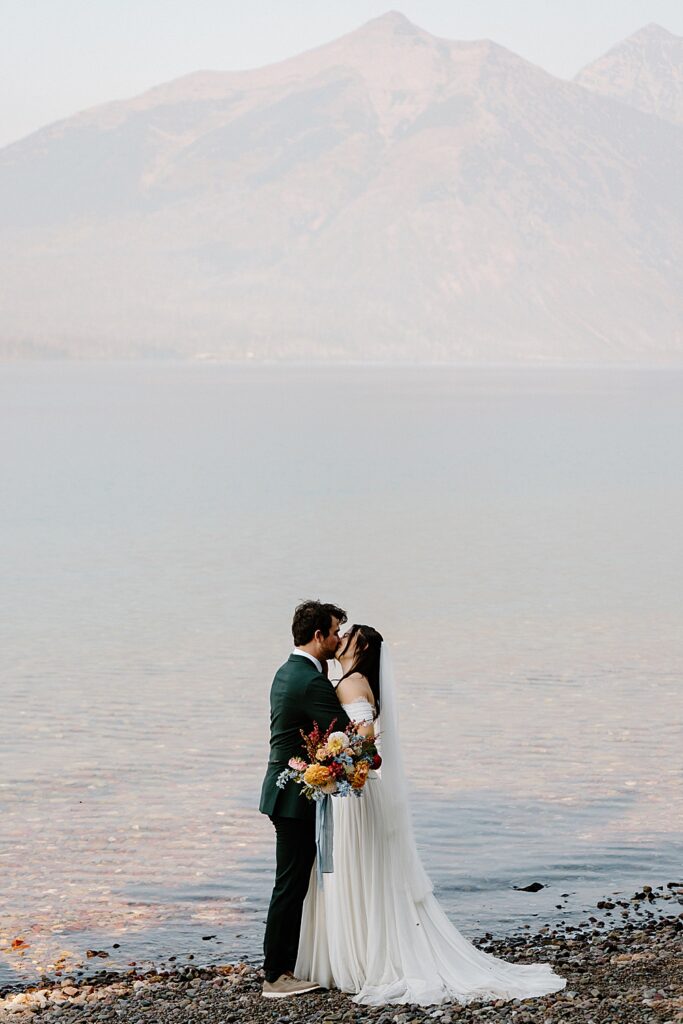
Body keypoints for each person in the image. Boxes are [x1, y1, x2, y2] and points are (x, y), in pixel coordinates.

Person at [295, 625, 567, 1006]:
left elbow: (367, 744)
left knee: (360, 869)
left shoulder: (352, 683)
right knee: (368, 871)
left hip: (356, 793)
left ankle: (365, 959)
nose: (341, 639)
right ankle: (359, 953)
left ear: (364, 646)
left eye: (349, 635)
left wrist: (334, 763)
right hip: (358, 791)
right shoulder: (356, 680)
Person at [259, 600, 351, 999]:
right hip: (295, 797)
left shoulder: (287, 671)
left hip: (283, 792)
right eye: (334, 633)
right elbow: (346, 732)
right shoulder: (311, 681)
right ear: (318, 636)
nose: (337, 640)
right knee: (290, 885)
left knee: (291, 883)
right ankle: (276, 975)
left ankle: (288, 964)